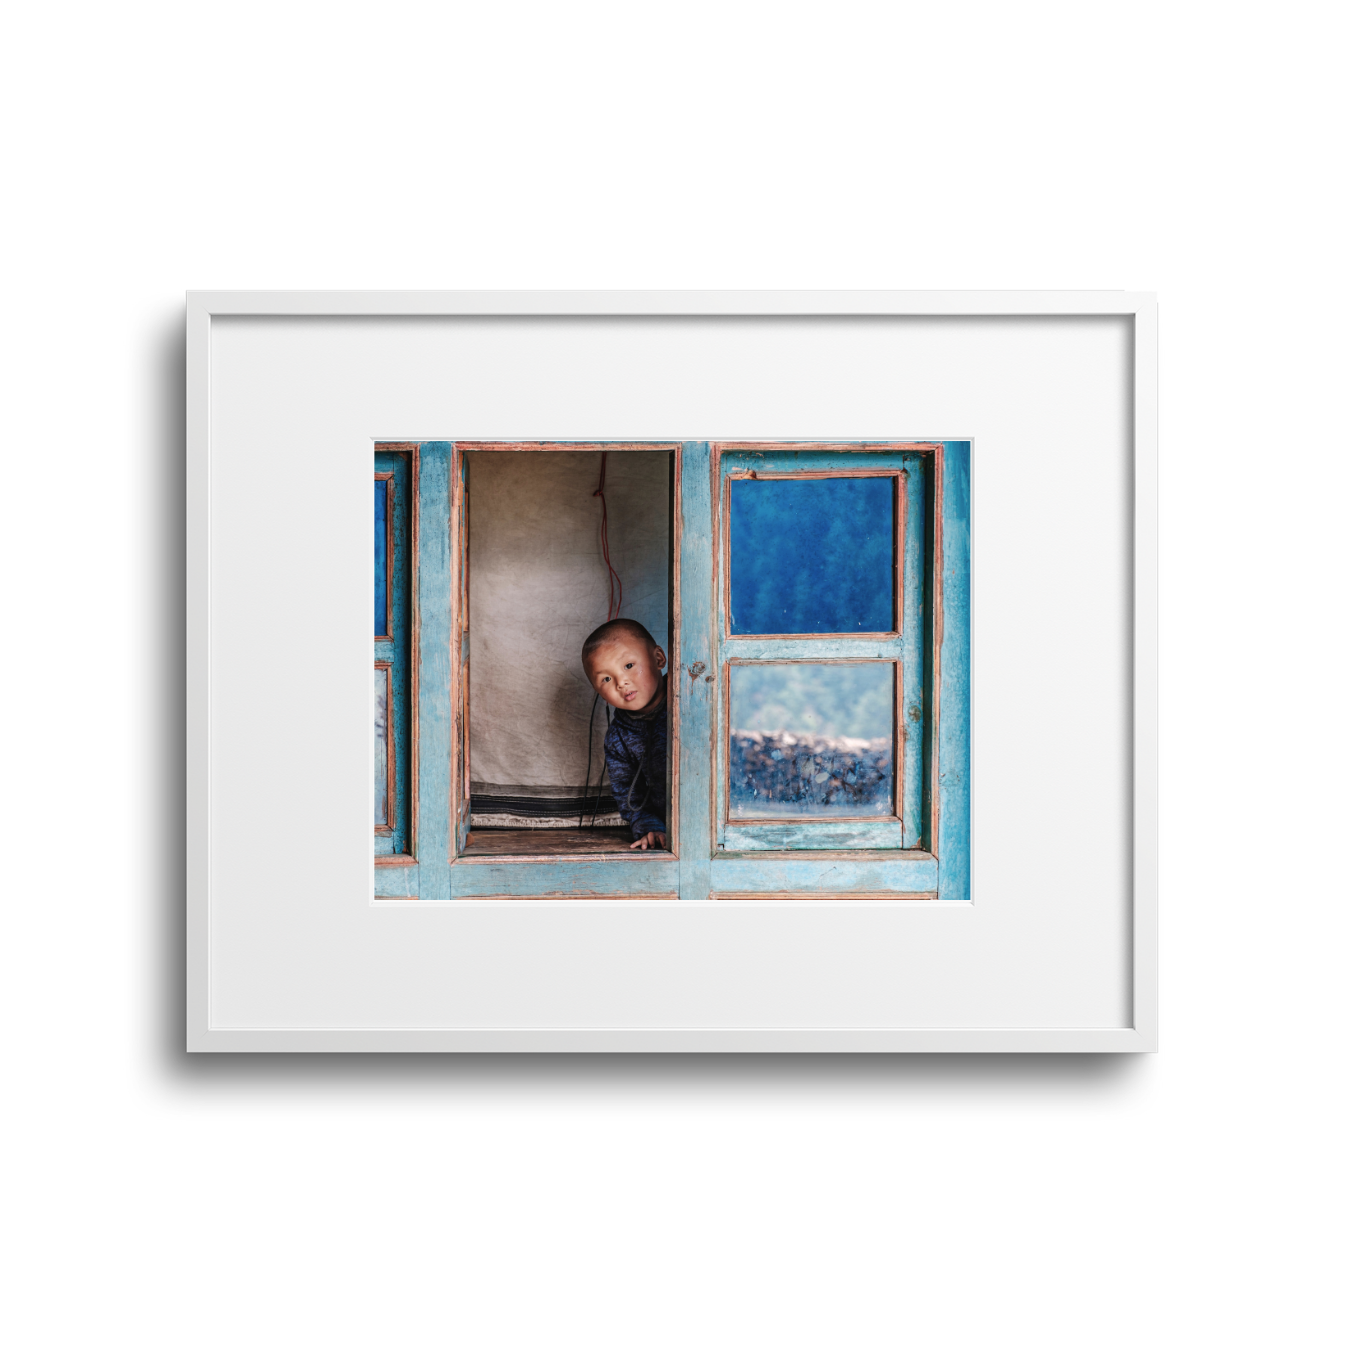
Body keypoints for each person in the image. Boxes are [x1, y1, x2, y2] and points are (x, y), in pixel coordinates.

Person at [581, 619, 669, 850]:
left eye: (629, 665)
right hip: (667, 830)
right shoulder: (618, 738)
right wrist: (650, 827)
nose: (621, 682)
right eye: (607, 679)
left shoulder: (692, 698)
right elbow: (630, 795)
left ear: (658, 659)